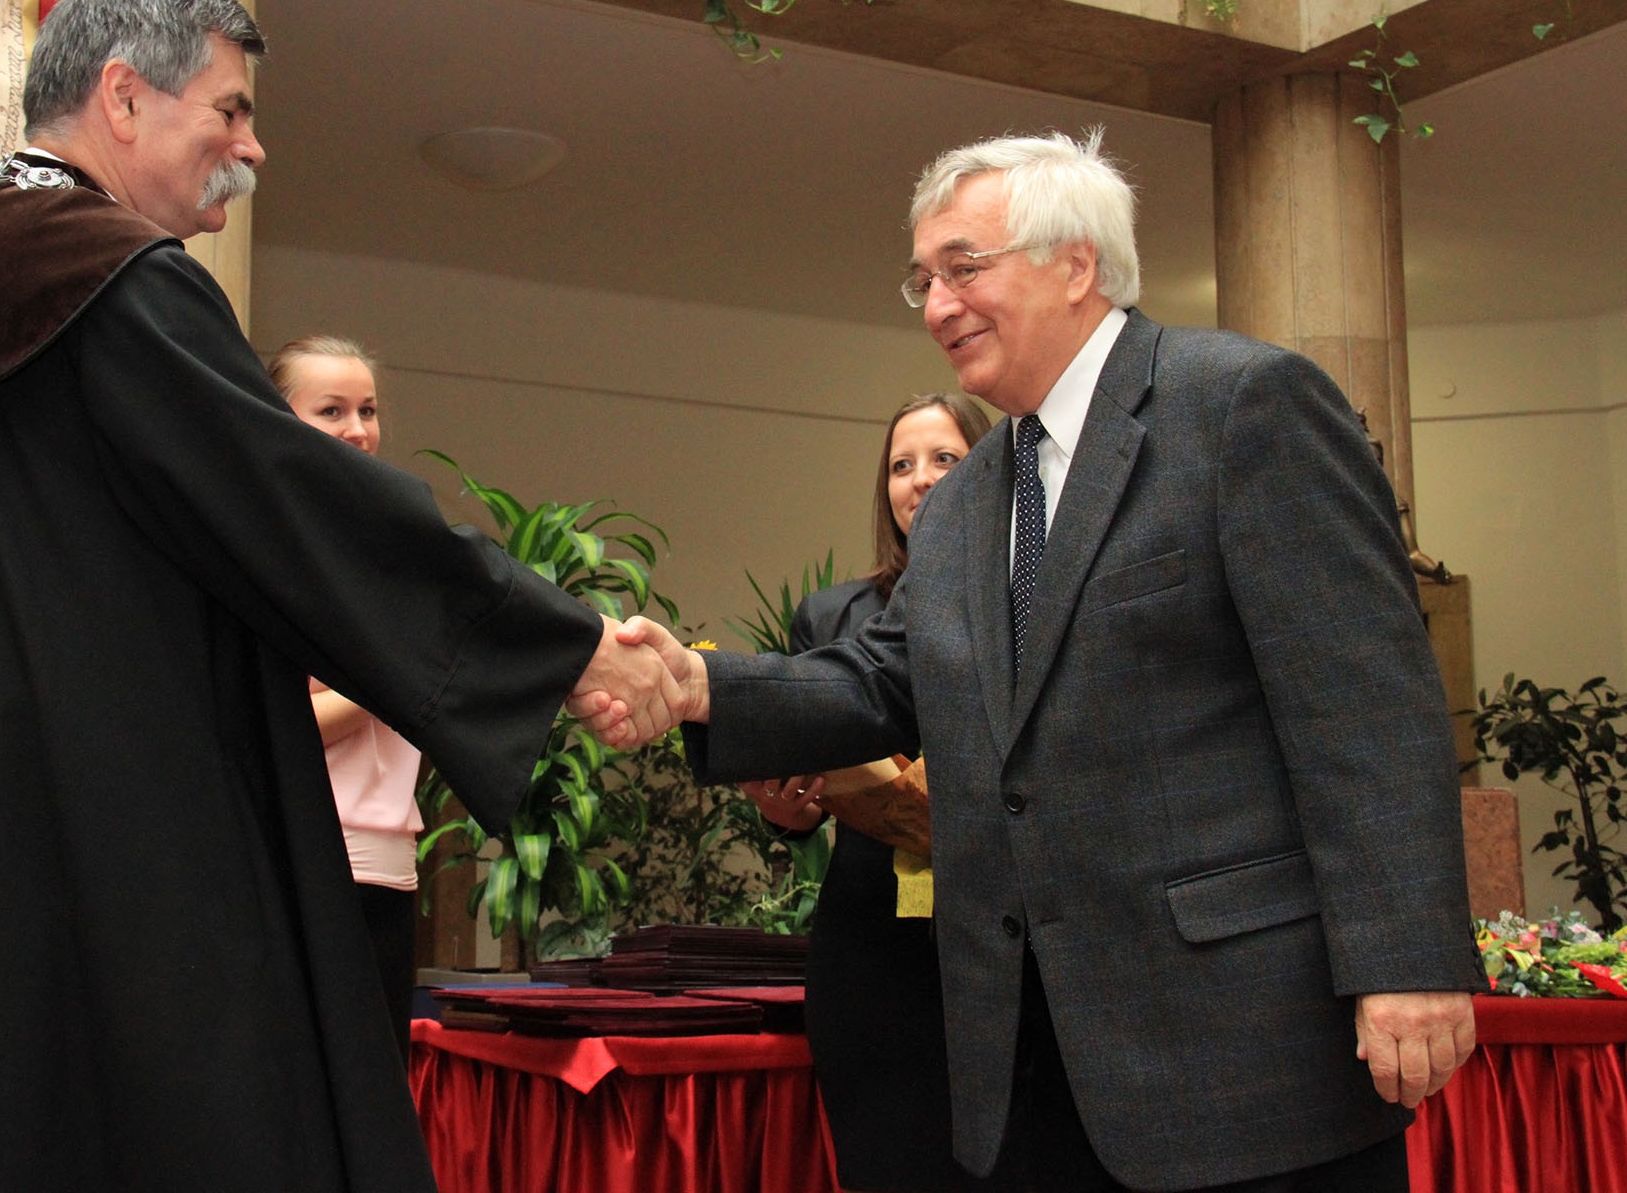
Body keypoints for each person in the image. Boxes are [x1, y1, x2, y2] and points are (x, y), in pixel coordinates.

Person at [0, 0, 674, 1191]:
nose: (251, 147)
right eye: (230, 109)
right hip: (97, 865)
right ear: (123, 95)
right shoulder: (110, 281)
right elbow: (302, 510)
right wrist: (566, 646)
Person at [601, 131, 1478, 1192]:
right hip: (1025, 1067)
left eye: (964, 267)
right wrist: (695, 684)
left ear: (1076, 263)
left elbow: (1365, 706)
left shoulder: (1242, 404)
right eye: (923, 280)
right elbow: (883, 678)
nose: (937, 305)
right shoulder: (967, 501)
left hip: (1246, 1056)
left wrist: (1409, 961)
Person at [747, 391, 989, 1193]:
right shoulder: (831, 616)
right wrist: (785, 812)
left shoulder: (1031, 600)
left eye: (946, 458)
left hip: (1000, 932)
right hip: (871, 942)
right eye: (901, 465)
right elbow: (799, 784)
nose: (921, 480)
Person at [268, 334, 426, 1055]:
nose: (358, 430)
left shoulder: (393, 538)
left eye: (368, 410)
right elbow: (272, 723)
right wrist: (392, 676)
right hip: (305, 855)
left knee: (380, 1085)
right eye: (330, 410)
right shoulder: (266, 545)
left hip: (389, 864)